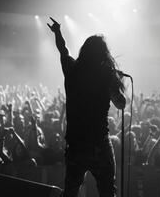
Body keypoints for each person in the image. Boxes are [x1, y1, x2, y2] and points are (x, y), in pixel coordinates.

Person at [47, 17, 126, 197]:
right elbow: (121, 104)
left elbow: (63, 51)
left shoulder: (71, 69)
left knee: (71, 191)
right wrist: (114, 80)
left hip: (76, 145)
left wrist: (58, 33)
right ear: (102, 54)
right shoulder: (105, 76)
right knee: (107, 191)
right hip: (99, 144)